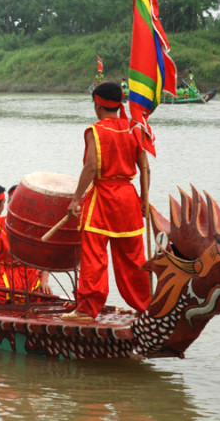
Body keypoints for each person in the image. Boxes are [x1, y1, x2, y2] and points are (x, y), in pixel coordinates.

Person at [62, 81, 151, 322]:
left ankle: (86, 310)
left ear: (98, 105)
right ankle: (147, 306)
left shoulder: (95, 131)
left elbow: (91, 167)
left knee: (94, 257)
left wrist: (75, 199)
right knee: (134, 258)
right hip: (129, 200)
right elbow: (145, 167)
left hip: (103, 198)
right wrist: (144, 198)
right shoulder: (136, 128)